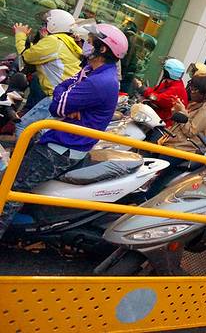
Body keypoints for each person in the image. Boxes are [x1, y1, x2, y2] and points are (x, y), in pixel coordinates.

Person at [0, 23, 127, 237]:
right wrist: (67, 98)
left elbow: (57, 105)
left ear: (102, 48)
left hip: (61, 148)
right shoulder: (91, 70)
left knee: (12, 188)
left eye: (90, 41)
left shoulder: (100, 81)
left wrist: (66, 100)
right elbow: (62, 86)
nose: (85, 44)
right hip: (58, 139)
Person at [144, 73, 206, 198]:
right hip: (171, 141)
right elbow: (181, 120)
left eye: (195, 90)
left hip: (182, 148)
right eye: (191, 88)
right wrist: (177, 110)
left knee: (158, 176)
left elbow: (191, 131)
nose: (192, 92)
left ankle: (144, 199)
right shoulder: (197, 102)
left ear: (204, 92)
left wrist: (182, 111)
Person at [13, 9, 82, 138]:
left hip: (57, 96)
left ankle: (21, 151)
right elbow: (39, 53)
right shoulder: (66, 42)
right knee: (42, 132)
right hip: (66, 96)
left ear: (54, 25)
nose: (43, 27)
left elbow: (27, 56)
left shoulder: (54, 42)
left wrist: (20, 35)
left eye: (45, 24)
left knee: (23, 126)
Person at [135, 58, 188, 127]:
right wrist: (145, 90)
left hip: (163, 124)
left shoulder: (177, 89)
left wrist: (143, 89)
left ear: (167, 72)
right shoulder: (169, 83)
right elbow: (155, 91)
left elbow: (158, 99)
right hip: (155, 118)